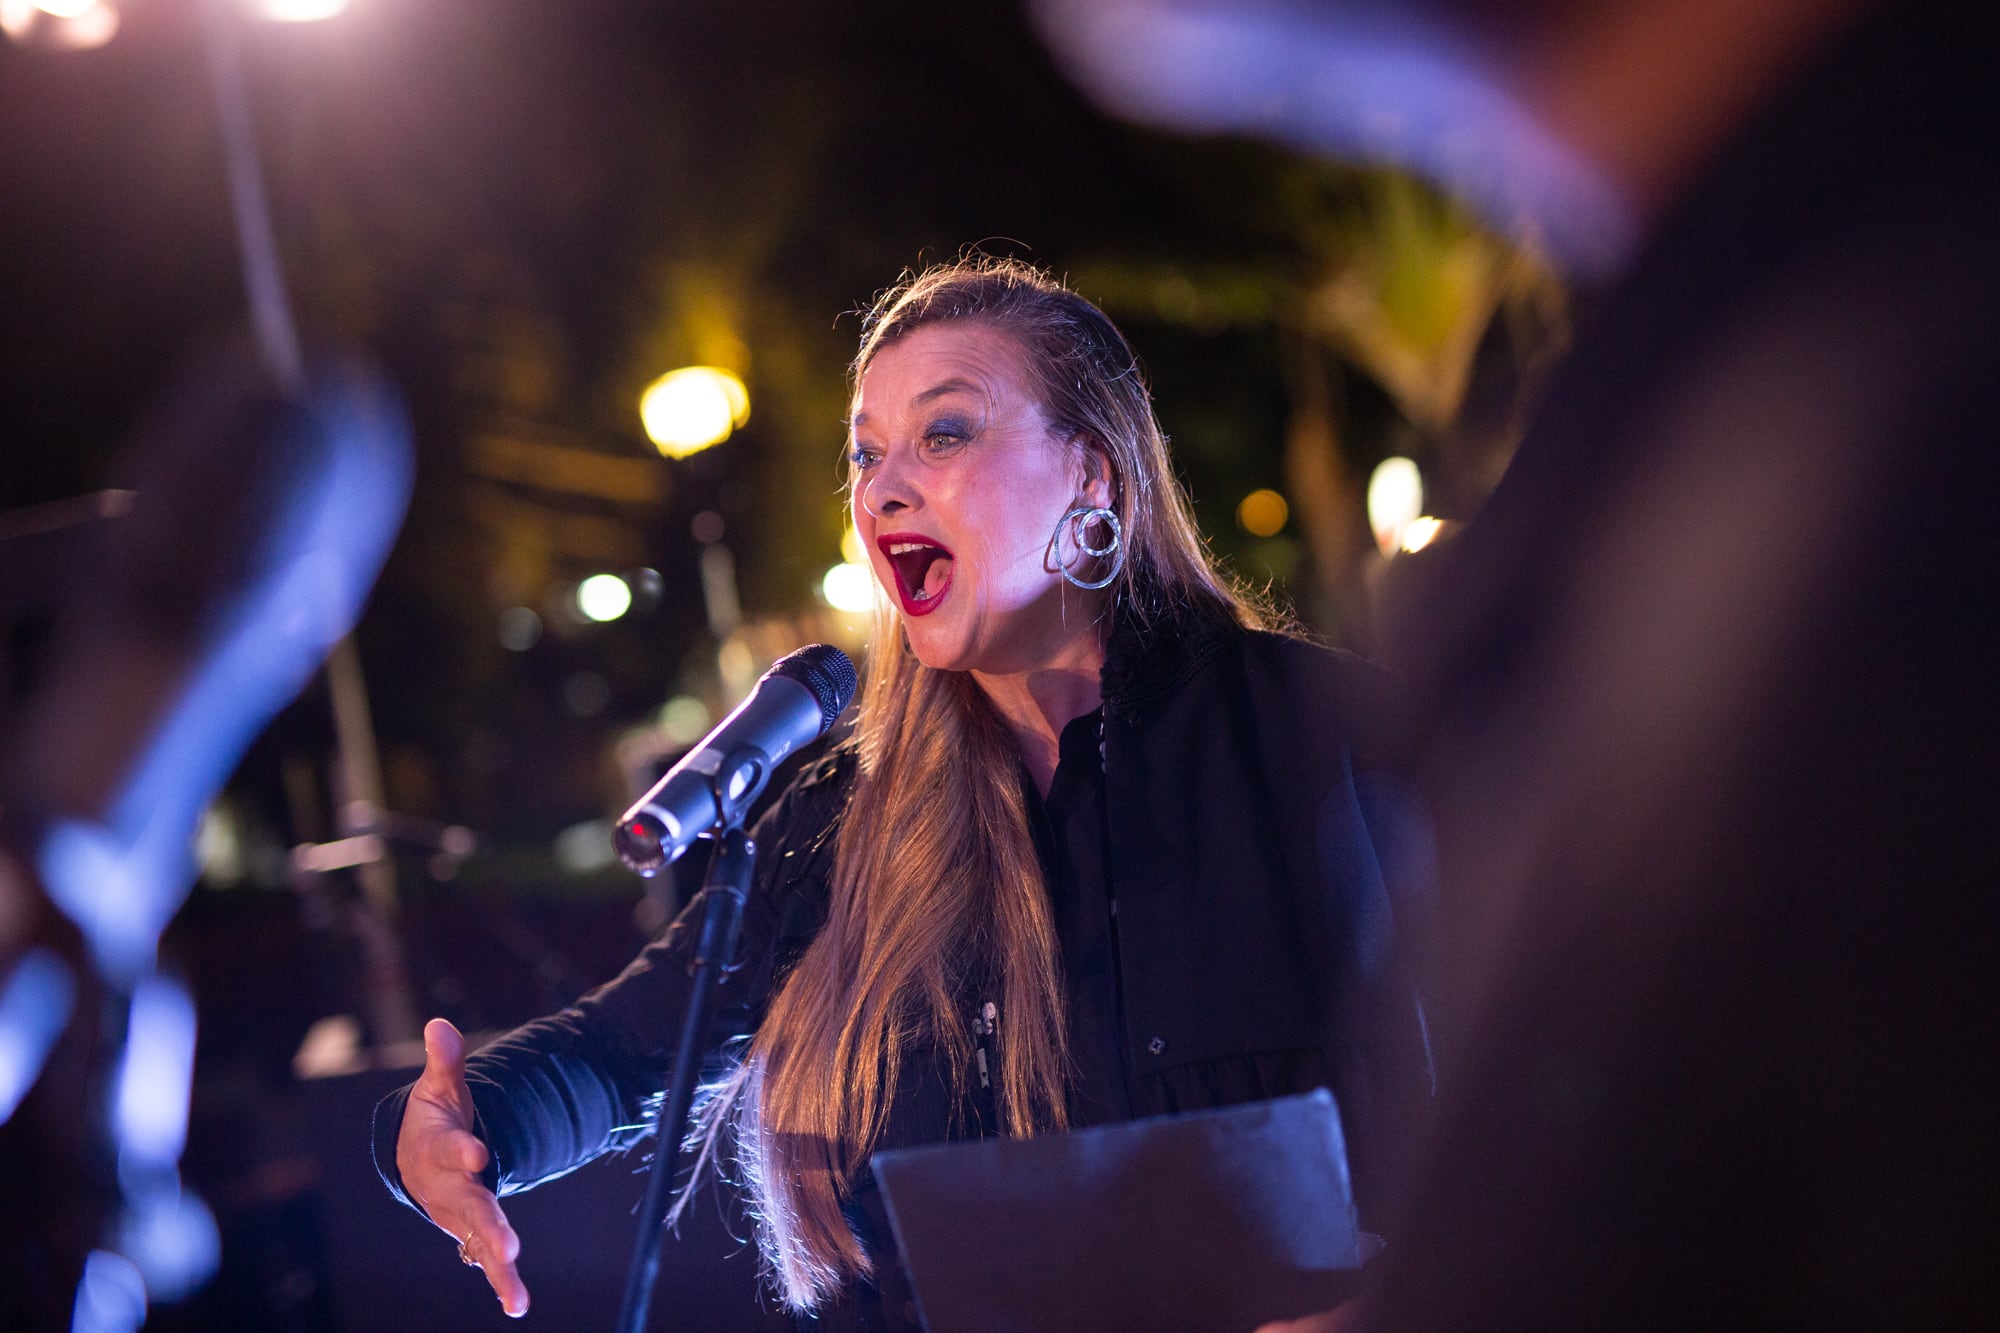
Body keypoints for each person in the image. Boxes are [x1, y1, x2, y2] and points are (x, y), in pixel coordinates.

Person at [374, 257, 1434, 1330]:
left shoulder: (1323, 737)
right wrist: (467, 1128)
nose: (882, 486)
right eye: (865, 454)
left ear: (1094, 477)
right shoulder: (842, 818)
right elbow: (630, 1048)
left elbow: (1532, 1090)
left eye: (944, 433)